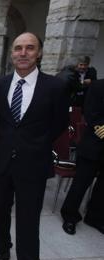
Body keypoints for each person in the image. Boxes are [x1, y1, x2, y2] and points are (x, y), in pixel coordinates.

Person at [0, 32, 69, 260]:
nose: (23, 53)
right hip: (3, 160)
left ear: (39, 53)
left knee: (28, 218)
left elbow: (59, 123)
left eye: (30, 48)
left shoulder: (56, 86)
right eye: (18, 48)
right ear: (11, 53)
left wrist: (35, 143)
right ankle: (2, 248)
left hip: (34, 162)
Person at [61, 79, 104, 235]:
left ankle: (95, 217)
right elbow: (92, 114)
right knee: (81, 183)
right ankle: (70, 216)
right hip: (94, 144)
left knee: (102, 188)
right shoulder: (99, 86)